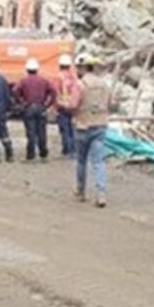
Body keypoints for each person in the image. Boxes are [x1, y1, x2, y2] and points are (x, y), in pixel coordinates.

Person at [73, 54, 112, 207]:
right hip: (100, 126)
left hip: (83, 126)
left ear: (83, 68)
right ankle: (101, 194)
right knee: (98, 162)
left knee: (81, 160)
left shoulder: (80, 85)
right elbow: (110, 103)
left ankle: (81, 191)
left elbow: (74, 104)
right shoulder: (105, 84)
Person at [13, 58, 57, 161]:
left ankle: (31, 155)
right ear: (37, 69)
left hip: (29, 108)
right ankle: (43, 154)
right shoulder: (44, 81)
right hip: (41, 108)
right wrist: (48, 104)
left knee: (31, 132)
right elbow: (54, 92)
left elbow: (15, 90)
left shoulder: (23, 81)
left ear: (27, 69)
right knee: (42, 132)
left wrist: (21, 102)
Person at [54, 54, 81, 157]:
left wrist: (56, 106)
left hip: (62, 106)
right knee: (72, 128)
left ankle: (67, 150)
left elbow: (56, 92)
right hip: (73, 106)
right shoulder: (74, 77)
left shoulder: (58, 77)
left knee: (64, 129)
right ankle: (74, 149)